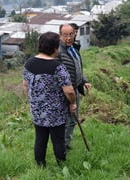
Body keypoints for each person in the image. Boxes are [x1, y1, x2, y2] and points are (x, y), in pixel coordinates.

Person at [22, 31, 77, 166]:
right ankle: (61, 165)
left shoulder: (29, 63)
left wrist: (33, 100)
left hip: (37, 110)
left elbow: (25, 85)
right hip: (55, 112)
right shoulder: (57, 66)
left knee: (40, 139)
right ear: (54, 48)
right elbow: (69, 91)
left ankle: (40, 165)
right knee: (58, 140)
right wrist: (73, 103)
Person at [58, 23, 92, 151]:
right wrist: (68, 96)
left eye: (71, 34)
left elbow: (76, 69)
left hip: (75, 89)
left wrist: (84, 81)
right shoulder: (59, 53)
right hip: (66, 92)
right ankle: (63, 148)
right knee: (68, 120)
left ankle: (66, 144)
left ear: (75, 33)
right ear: (60, 35)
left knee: (72, 119)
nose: (68, 38)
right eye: (65, 35)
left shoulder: (73, 48)